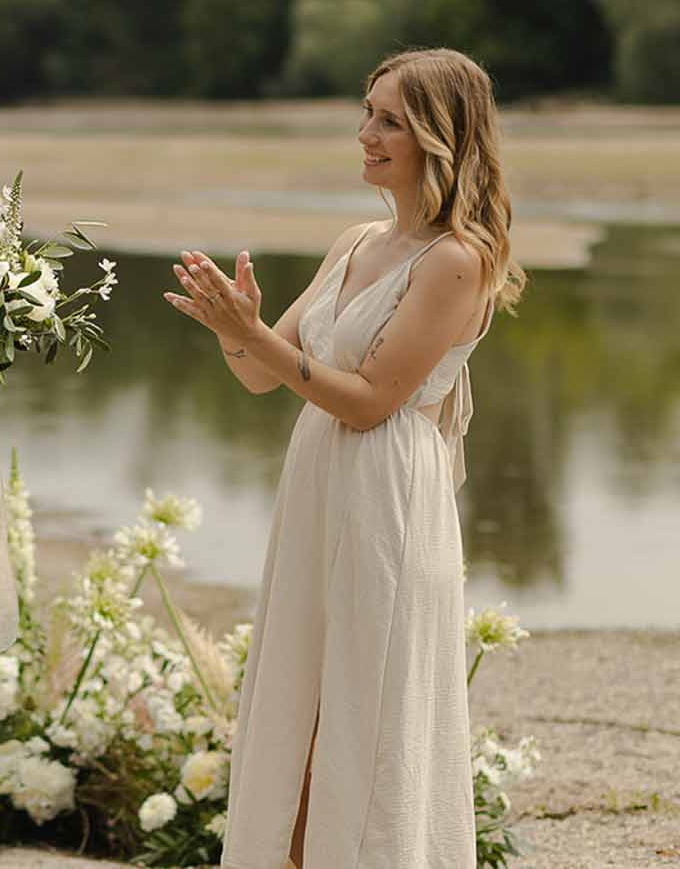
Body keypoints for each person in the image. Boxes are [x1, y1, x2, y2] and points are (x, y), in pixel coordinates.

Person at [164, 47, 524, 869]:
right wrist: (236, 331)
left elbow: (370, 399)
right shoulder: (357, 240)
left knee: (359, 713)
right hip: (320, 482)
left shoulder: (457, 260)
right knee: (300, 705)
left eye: (389, 119)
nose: (366, 133)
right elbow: (260, 375)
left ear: (441, 136)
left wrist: (255, 336)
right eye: (367, 112)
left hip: (386, 494)